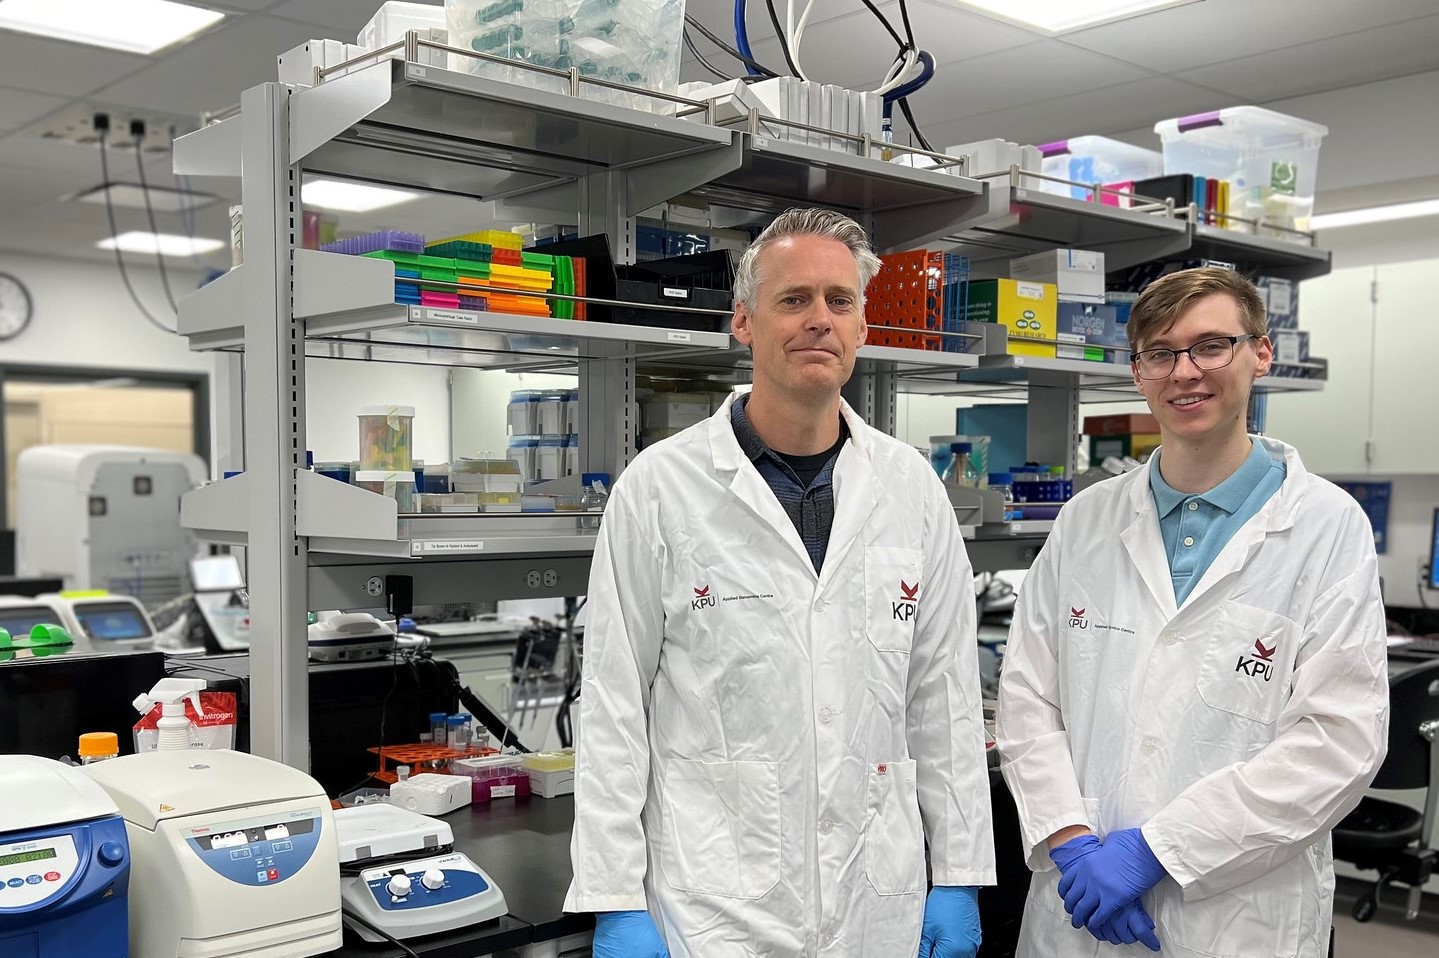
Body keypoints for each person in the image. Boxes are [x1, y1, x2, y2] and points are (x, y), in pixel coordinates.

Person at [564, 207, 995, 957]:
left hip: (874, 894)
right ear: (743, 322)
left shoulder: (911, 488)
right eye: (792, 300)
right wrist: (612, 896)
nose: (818, 320)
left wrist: (957, 872)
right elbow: (611, 706)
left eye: (840, 301)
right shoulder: (660, 487)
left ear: (862, 328)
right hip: (713, 903)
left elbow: (944, 700)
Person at [996, 266, 1390, 957]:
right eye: (1159, 353)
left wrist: (1156, 851)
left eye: (1211, 345)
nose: (1185, 372)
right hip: (1077, 904)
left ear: (1260, 353)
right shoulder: (1084, 521)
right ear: (1137, 370)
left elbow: (1336, 744)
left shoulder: (1327, 527)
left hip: (1236, 920)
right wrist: (1070, 843)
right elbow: (1028, 699)